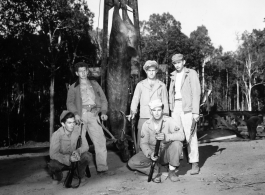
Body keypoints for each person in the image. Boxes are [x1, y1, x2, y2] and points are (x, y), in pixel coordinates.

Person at [128, 99, 184, 183]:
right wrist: (150, 153)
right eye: (154, 110)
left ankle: (171, 172)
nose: (157, 113)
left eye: (159, 110)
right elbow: (143, 143)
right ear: (151, 111)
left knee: (177, 144)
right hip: (153, 151)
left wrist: (166, 137)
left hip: (165, 151)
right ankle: (154, 171)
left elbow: (181, 136)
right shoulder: (146, 124)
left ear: (162, 110)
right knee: (132, 163)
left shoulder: (169, 121)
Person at [67, 62, 109, 173]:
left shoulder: (95, 84)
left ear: (87, 71)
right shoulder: (73, 87)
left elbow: (104, 99)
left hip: (94, 115)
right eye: (80, 71)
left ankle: (102, 168)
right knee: (79, 144)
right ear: (77, 73)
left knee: (100, 141)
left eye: (85, 70)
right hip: (80, 116)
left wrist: (103, 112)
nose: (83, 73)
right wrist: (75, 113)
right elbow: (70, 103)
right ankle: (77, 170)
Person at [169, 53, 201, 175]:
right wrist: (171, 108)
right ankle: (176, 163)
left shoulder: (191, 73)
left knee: (190, 135)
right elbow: (171, 93)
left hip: (187, 107)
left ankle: (194, 163)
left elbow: (196, 92)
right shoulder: (172, 75)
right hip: (175, 107)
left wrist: (195, 112)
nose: (177, 65)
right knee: (177, 134)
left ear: (184, 62)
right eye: (175, 63)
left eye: (179, 62)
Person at [129, 60, 169, 151]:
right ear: (146, 71)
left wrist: (166, 115)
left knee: (157, 140)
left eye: (153, 70)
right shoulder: (140, 85)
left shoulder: (161, 85)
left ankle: (156, 161)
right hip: (144, 116)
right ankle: (140, 160)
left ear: (156, 71)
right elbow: (135, 99)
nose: (151, 72)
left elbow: (165, 101)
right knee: (142, 140)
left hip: (157, 117)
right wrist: (132, 112)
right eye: (149, 70)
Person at [48, 110, 91, 184]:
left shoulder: (78, 131)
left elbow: (86, 146)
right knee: (52, 164)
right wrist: (68, 158)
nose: (72, 125)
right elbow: (53, 154)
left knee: (87, 156)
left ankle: (77, 174)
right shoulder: (56, 135)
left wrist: (78, 151)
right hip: (63, 159)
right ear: (63, 124)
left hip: (76, 157)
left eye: (73, 122)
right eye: (69, 123)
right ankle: (58, 177)